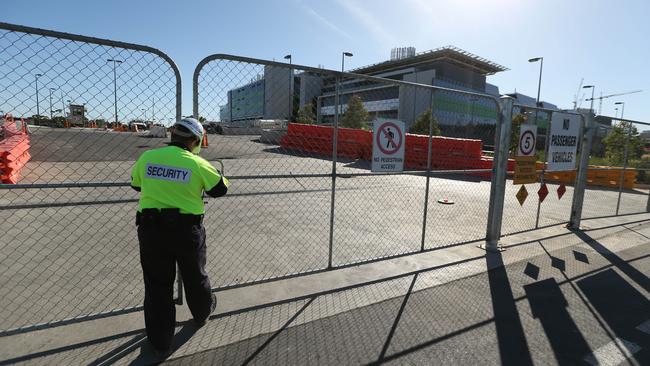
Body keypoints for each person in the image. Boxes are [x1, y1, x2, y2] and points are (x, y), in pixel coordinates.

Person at [130, 118, 229, 357]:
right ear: (194, 140)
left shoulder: (147, 158)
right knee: (195, 275)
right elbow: (220, 189)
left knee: (157, 285)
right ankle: (202, 313)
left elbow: (136, 185)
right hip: (186, 230)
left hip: (151, 229)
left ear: (173, 136)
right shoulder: (197, 163)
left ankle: (161, 342)